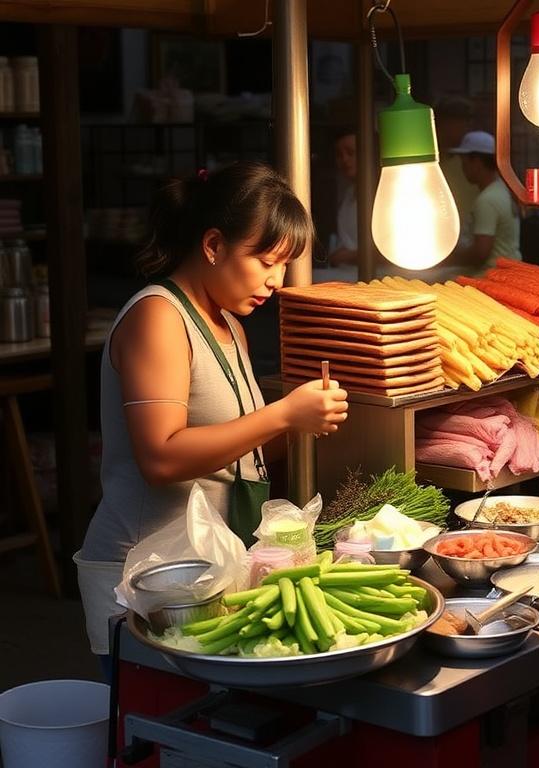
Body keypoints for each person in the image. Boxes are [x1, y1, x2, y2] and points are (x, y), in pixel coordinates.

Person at [75, 162, 350, 677]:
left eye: (285, 264)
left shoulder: (228, 325)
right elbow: (161, 457)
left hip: (205, 573)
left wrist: (300, 426)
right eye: (266, 260)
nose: (276, 280)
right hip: (144, 578)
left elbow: (235, 455)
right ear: (213, 246)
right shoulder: (158, 317)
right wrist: (284, 413)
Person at [449, 131, 521, 272]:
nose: (463, 169)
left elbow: (480, 253)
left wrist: (448, 259)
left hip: (491, 274)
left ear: (476, 162)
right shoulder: (501, 188)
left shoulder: (487, 200)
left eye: (465, 163)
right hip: (510, 270)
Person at [434, 95, 479, 244]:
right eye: (460, 121)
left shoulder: (474, 159)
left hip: (471, 235)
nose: (466, 126)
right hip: (441, 234)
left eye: (467, 121)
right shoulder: (434, 160)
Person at [326, 126, 358, 266]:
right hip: (347, 271)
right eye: (339, 154)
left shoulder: (386, 194)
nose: (344, 159)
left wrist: (348, 256)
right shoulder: (349, 193)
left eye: (351, 153)